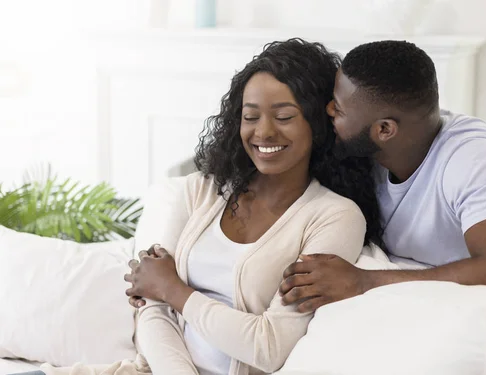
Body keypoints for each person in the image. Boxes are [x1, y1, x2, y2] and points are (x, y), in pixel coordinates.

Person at [119, 39, 382, 375]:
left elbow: (268, 346)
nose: (264, 132)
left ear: (317, 124)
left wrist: (173, 290)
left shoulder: (335, 218)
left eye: (284, 117)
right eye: (250, 116)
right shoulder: (200, 189)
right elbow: (150, 306)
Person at [279, 40, 486, 313]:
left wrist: (364, 281)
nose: (328, 110)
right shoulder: (361, 153)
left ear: (385, 130)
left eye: (338, 109)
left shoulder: (473, 158)